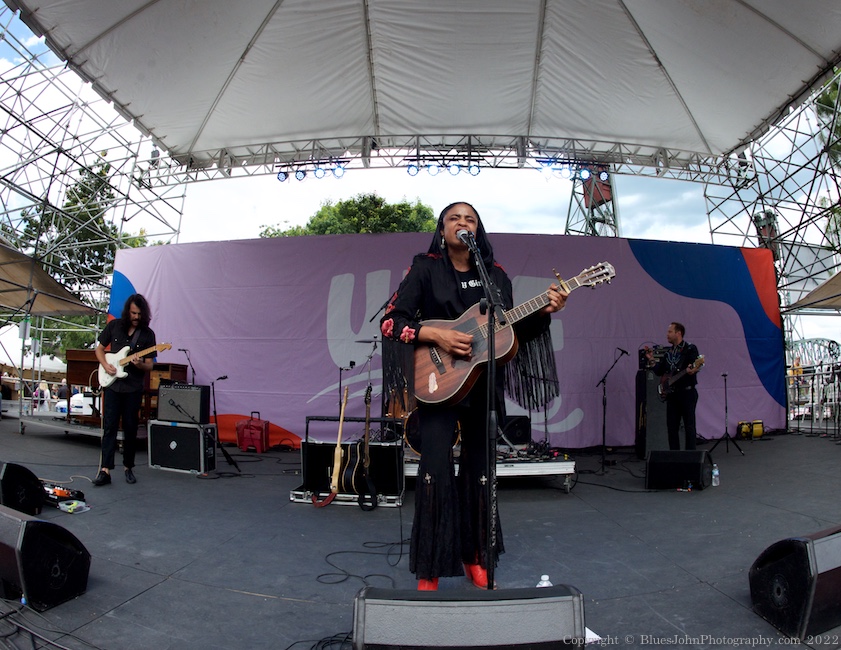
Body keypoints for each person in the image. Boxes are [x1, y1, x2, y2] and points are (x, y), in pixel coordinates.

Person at [380, 202, 567, 591]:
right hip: (438, 385)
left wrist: (544, 311)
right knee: (435, 471)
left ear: (478, 230)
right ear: (442, 229)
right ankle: (429, 568)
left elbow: (508, 334)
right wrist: (436, 334)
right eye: (454, 218)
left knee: (481, 473)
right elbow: (391, 321)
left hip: (482, 386)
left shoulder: (496, 276)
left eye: (470, 219)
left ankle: (475, 557)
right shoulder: (425, 267)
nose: (463, 223)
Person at [93, 294, 157, 486]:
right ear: (127, 311)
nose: (136, 317)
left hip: (133, 387)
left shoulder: (148, 334)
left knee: (130, 428)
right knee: (110, 426)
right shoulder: (115, 326)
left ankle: (128, 467)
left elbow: (149, 366)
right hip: (113, 384)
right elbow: (99, 349)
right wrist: (105, 364)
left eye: (139, 313)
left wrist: (138, 364)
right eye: (133, 313)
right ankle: (105, 470)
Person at [645, 322, 701, 451]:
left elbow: (695, 365)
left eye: (670, 332)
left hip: (687, 393)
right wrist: (651, 359)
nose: (667, 334)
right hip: (673, 394)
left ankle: (690, 457)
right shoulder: (669, 352)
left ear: (678, 333)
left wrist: (695, 369)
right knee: (672, 428)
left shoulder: (690, 349)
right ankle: (674, 456)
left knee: (689, 427)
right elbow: (659, 371)